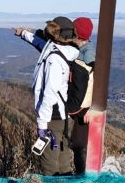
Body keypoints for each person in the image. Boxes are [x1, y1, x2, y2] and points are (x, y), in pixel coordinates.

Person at [14, 16, 95, 174]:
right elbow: (42, 43)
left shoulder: (56, 58)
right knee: (63, 151)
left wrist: (42, 124)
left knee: (49, 156)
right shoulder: (70, 52)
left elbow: (49, 93)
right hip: (63, 110)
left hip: (53, 112)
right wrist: (24, 33)